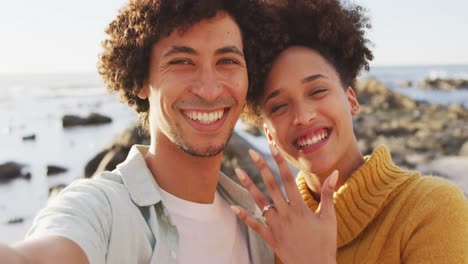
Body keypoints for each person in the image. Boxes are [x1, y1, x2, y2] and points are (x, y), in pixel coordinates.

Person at [0, 0, 276, 263]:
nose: (209, 89)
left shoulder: (262, 230)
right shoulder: (100, 210)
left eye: (227, 61)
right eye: (182, 62)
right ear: (142, 80)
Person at [233, 0, 468, 263]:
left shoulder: (431, 207)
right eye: (279, 106)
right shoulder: (274, 239)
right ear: (267, 133)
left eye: (317, 91)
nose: (303, 116)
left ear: (352, 100)